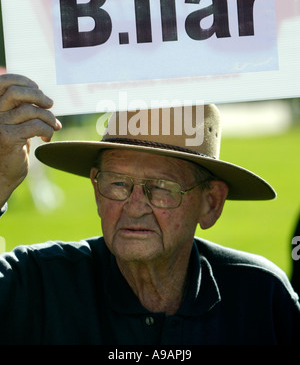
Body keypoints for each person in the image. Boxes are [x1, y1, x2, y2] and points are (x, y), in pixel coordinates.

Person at [0, 73, 299, 345]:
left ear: (211, 204)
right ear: (95, 188)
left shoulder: (260, 297)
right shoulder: (40, 284)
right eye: (117, 183)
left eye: (162, 187)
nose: (135, 206)